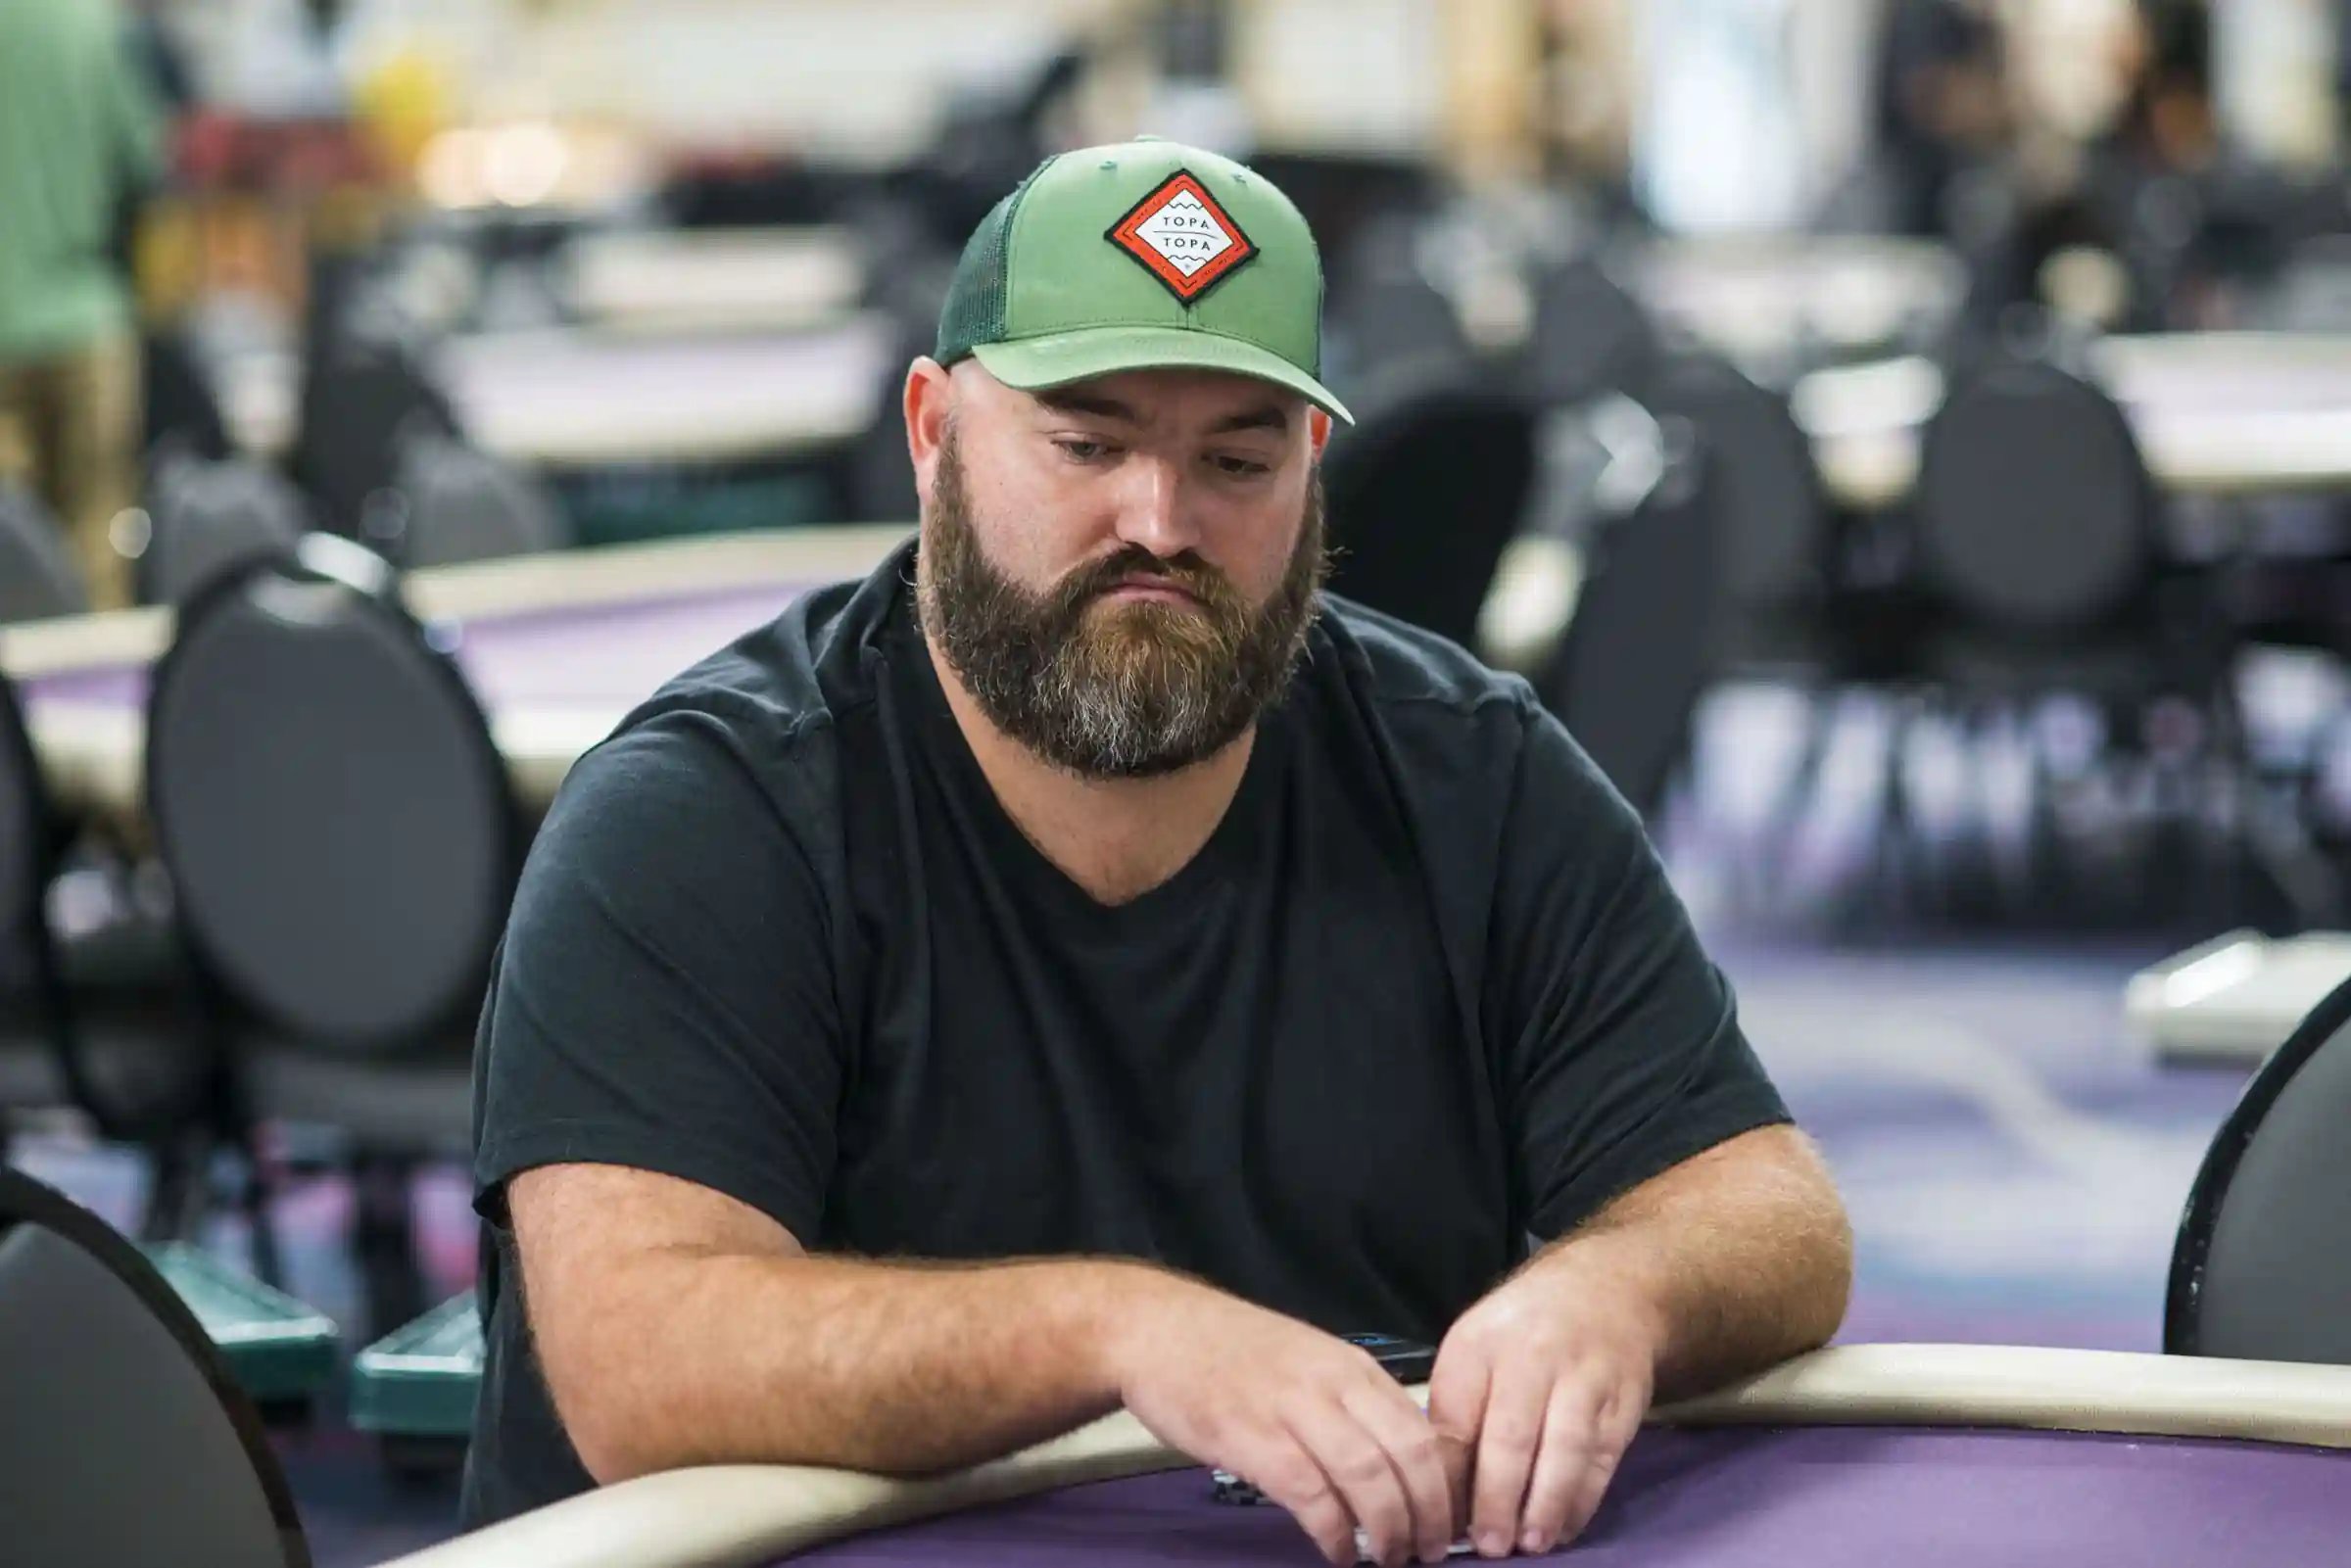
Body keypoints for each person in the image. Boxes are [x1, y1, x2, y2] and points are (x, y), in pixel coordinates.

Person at [466, 138, 1851, 1565]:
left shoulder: (1472, 775)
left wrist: (1617, 1289)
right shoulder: (707, 813)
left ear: (1312, 469)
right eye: (1086, 443)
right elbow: (640, 1357)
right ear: (933, 433)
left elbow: (1768, 1208)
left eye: (1236, 458)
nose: (1161, 523)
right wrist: (1118, 1331)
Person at [0, 0, 167, 610]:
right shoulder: (87, 24)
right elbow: (145, 162)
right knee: (97, 546)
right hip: (85, 317)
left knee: (9, 561)